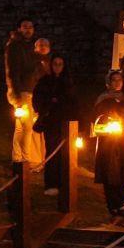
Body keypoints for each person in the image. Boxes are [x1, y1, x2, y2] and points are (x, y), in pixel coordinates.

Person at [32, 54, 79, 197]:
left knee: (66, 154)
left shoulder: (69, 82)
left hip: (65, 124)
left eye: (60, 64)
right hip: (51, 123)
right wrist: (49, 104)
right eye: (55, 64)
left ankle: (64, 183)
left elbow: (74, 103)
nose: (57, 67)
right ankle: (51, 184)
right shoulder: (44, 81)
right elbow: (38, 100)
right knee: (52, 152)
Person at [92, 70, 124, 218]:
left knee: (121, 170)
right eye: (114, 80)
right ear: (109, 83)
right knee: (110, 171)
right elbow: (96, 117)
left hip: (122, 138)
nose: (117, 83)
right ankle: (113, 204)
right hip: (108, 140)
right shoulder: (103, 99)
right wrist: (107, 121)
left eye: (119, 80)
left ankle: (121, 201)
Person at [4, 21, 49, 167]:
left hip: (28, 89)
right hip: (23, 91)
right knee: (28, 127)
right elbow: (12, 71)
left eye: (30, 27)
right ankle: (26, 160)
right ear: (19, 28)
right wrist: (15, 94)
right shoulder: (15, 46)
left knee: (21, 127)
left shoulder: (28, 46)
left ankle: (18, 158)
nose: (28, 30)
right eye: (25, 27)